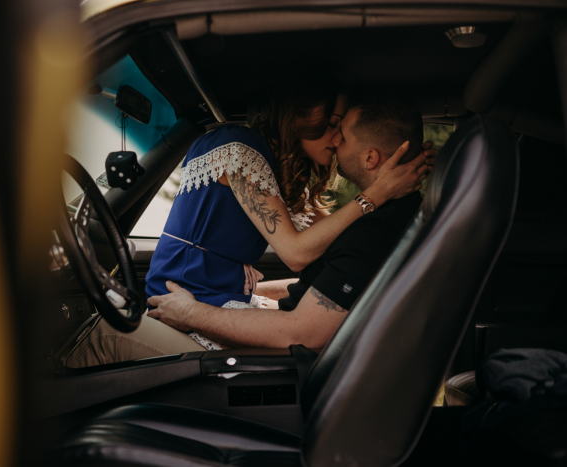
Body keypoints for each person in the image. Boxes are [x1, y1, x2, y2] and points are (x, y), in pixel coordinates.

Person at [64, 94, 430, 367]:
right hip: (206, 304)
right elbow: (321, 279)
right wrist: (251, 288)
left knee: (101, 333)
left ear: (370, 158)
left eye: (341, 131)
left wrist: (374, 194)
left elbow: (299, 264)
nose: (335, 140)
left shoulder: (375, 226)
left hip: (219, 323)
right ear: (301, 118)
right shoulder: (248, 154)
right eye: (332, 124)